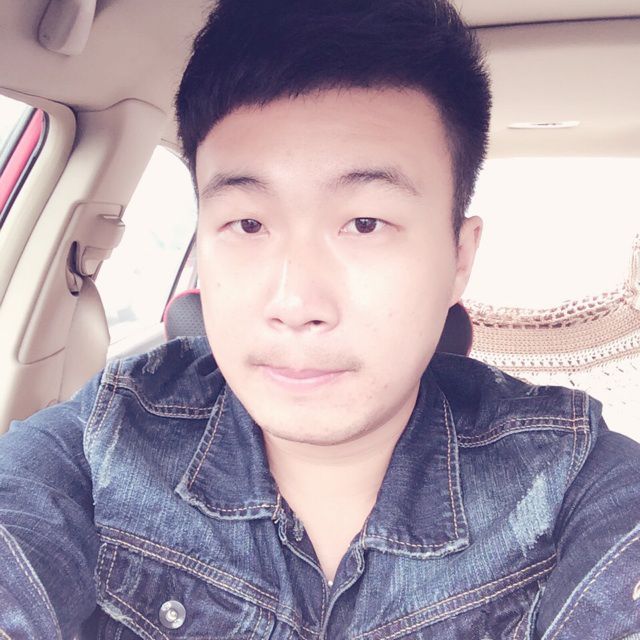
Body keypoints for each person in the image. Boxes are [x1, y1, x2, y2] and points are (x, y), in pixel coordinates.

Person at [1, 0, 639, 638]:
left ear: (459, 259)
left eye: (365, 223)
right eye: (248, 223)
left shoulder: (572, 486)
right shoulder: (103, 443)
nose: (295, 303)